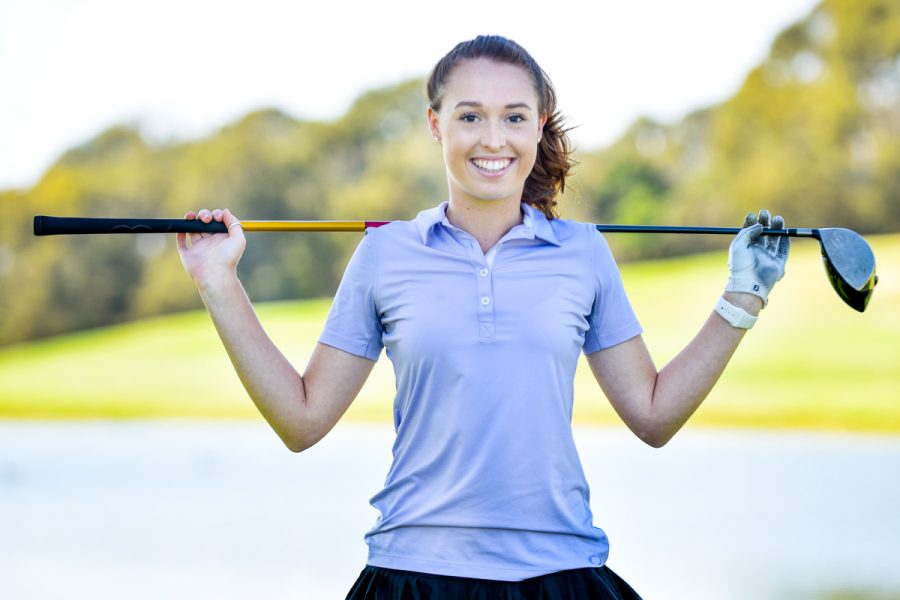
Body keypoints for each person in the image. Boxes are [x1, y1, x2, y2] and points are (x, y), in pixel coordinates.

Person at [177, 35, 789, 599]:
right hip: (414, 574)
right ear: (435, 124)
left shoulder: (583, 253)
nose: (493, 139)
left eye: (514, 117)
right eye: (470, 116)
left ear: (538, 125)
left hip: (559, 573)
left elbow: (653, 416)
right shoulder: (386, 253)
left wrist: (743, 296)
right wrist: (218, 281)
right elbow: (301, 420)